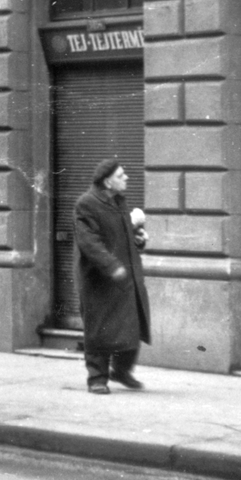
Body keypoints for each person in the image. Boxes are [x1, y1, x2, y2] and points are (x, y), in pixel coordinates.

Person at [73, 158, 151, 394]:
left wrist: (137, 240)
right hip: (100, 279)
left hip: (126, 277)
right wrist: (111, 266)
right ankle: (97, 378)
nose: (126, 178)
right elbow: (90, 242)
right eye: (121, 175)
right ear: (108, 181)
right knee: (100, 329)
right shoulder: (86, 204)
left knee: (133, 325)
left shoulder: (118, 202)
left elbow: (120, 236)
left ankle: (122, 371)